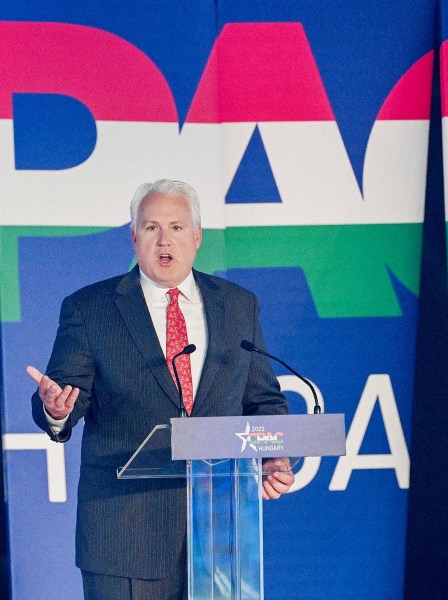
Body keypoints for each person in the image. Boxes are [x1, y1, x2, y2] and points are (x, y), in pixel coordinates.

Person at [27, 178, 294, 599]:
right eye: (152, 227)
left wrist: (274, 455)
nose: (164, 239)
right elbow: (65, 398)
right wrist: (57, 410)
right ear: (134, 238)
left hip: (220, 538)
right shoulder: (90, 308)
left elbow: (263, 402)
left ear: (197, 236)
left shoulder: (238, 305)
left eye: (176, 227)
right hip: (124, 538)